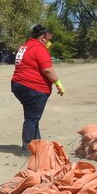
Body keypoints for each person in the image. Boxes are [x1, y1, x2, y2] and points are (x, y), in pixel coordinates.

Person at [10, 24, 64, 156]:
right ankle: (27, 149)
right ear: (43, 37)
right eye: (49, 38)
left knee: (33, 117)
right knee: (31, 118)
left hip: (18, 85)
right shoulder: (39, 49)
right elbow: (47, 70)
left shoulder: (25, 46)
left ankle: (38, 145)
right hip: (34, 88)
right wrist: (58, 83)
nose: (49, 41)